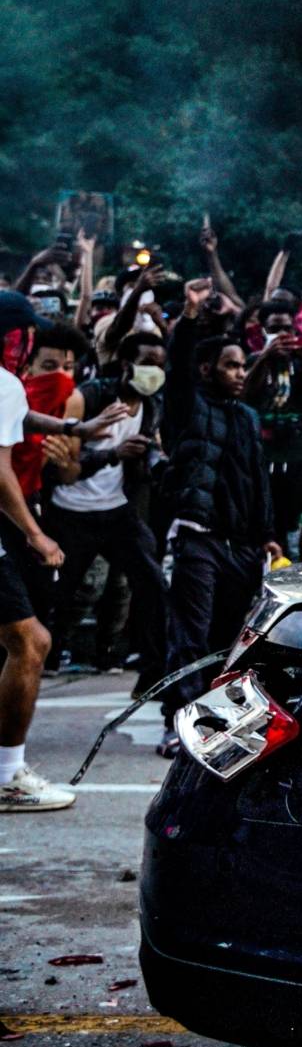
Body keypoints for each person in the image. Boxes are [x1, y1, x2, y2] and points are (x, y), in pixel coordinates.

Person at [160, 305, 283, 758]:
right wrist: (190, 323)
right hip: (198, 538)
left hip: (244, 546)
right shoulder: (186, 406)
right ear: (207, 369)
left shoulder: (247, 417)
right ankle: (178, 726)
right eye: (230, 365)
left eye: (242, 365)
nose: (238, 372)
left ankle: (219, 725)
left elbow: (258, 479)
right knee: (190, 638)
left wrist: (269, 533)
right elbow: (175, 370)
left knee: (232, 642)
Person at [0, 291, 97, 810]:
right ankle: (8, 776)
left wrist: (73, 428)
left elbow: (19, 418)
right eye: (26, 335)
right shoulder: (3, 380)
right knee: (29, 641)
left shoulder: (9, 387)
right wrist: (35, 534)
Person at [44, 324, 170, 681]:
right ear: (127, 364)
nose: (154, 372)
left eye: (160, 364)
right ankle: (49, 656)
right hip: (71, 511)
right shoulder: (89, 397)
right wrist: (113, 453)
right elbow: (64, 470)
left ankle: (153, 664)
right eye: (147, 362)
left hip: (116, 509)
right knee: (65, 589)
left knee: (151, 580)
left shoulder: (151, 406)